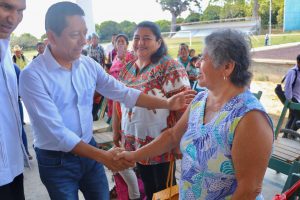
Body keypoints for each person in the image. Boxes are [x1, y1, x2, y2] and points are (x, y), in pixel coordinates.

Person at [19, 2, 194, 200]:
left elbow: (123, 92)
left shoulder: (87, 65)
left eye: (85, 34)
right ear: (51, 36)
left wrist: (168, 104)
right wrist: (104, 157)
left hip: (90, 151)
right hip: (57, 161)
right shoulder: (32, 76)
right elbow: (58, 133)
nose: (83, 41)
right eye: (75, 35)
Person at [116, 29, 274, 200]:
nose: (197, 63)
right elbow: (172, 136)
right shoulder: (201, 99)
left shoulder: (250, 118)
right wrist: (133, 155)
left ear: (227, 67)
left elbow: (249, 190)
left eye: (203, 58)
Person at [112, 21, 191, 200]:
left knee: (165, 190)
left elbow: (184, 107)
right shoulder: (128, 68)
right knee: (148, 188)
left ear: (158, 42)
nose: (140, 42)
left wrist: (178, 143)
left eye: (147, 38)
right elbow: (118, 102)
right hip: (135, 143)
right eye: (137, 38)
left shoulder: (170, 67)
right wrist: (116, 131)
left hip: (162, 145)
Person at [0, 0, 27, 199]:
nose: (13, 18)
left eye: (20, 11)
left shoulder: (6, 54)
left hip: (13, 167)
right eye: (6, 6)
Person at [13, 63, 32, 160]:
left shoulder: (13, 67)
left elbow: (21, 85)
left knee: (19, 127)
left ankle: (25, 152)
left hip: (14, 103)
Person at [283, 54, 300, 137]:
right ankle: (292, 134)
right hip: (293, 98)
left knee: (293, 116)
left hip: (299, 99)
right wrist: (289, 99)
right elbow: (287, 86)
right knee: (297, 116)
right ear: (298, 62)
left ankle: (287, 135)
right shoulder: (292, 71)